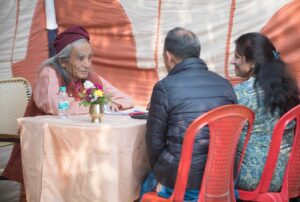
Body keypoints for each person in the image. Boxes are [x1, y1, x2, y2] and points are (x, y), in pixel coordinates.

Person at [3, 25, 134, 183]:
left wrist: (112, 103)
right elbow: (56, 105)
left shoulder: (89, 77)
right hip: (46, 151)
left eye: (90, 57)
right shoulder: (50, 73)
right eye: (80, 58)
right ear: (63, 61)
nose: (87, 64)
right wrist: (96, 105)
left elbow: (126, 100)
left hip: (74, 149)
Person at [141, 27, 237, 201]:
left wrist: (162, 175)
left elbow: (154, 144)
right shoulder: (225, 85)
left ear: (168, 57)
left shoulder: (165, 87)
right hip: (222, 182)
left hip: (184, 184)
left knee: (144, 183)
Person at [232, 32, 300, 192]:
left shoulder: (243, 94)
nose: (232, 61)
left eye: (237, 57)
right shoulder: (287, 87)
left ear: (253, 63)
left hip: (252, 177)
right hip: (287, 176)